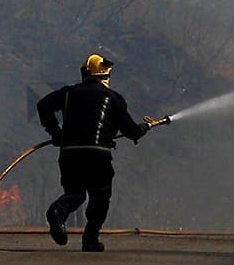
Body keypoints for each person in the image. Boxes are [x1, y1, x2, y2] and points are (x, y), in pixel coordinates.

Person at [36, 52, 161, 250]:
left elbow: (42, 105)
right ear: (107, 75)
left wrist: (56, 133)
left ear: (84, 73)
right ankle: (90, 239)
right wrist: (146, 127)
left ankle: (59, 210)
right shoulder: (114, 98)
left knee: (75, 193)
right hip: (98, 155)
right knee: (100, 197)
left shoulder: (68, 93)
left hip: (70, 154)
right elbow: (132, 132)